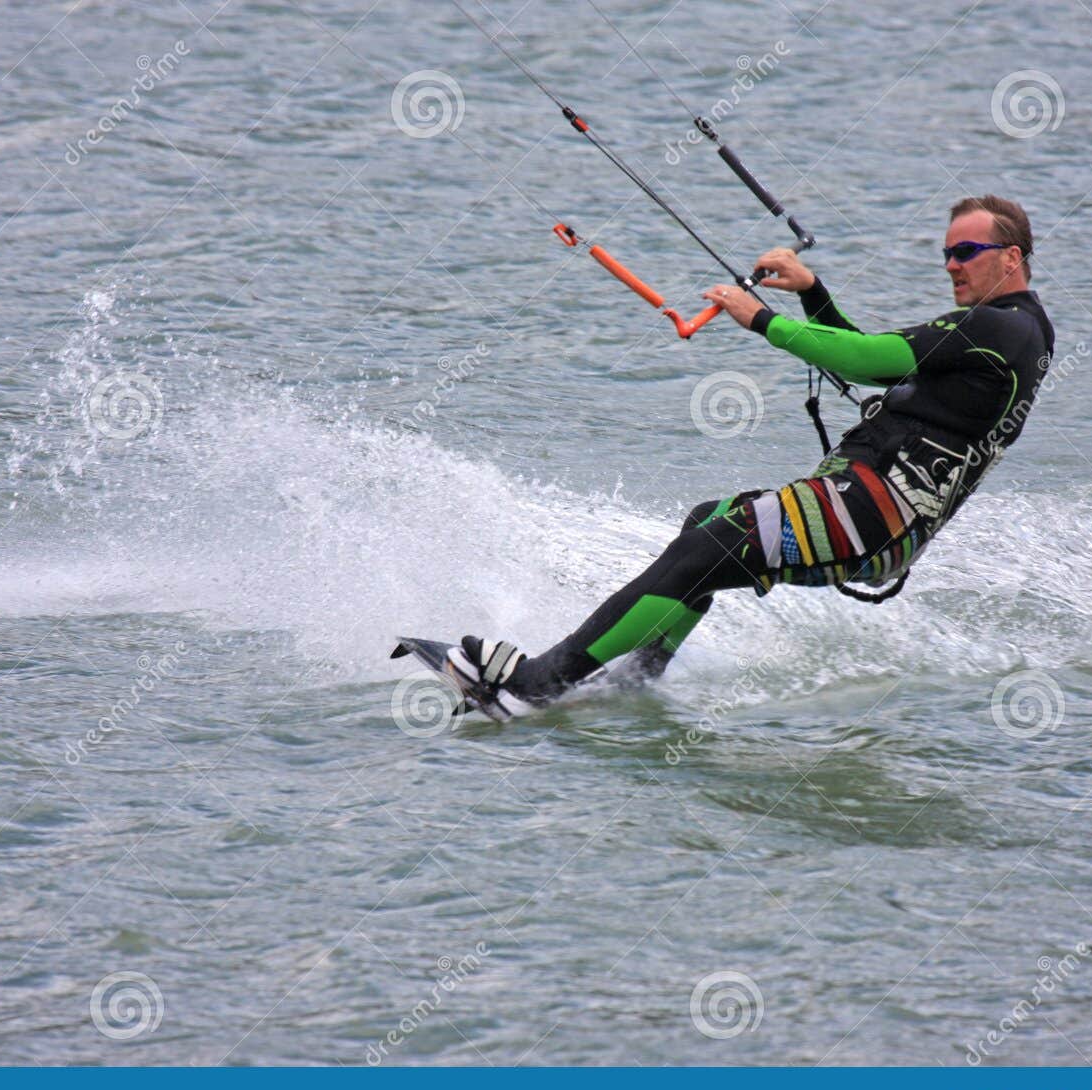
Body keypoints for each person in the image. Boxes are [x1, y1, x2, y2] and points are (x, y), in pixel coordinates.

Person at [449, 194, 1056, 716]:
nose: (952, 265)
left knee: (703, 552)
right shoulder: (1013, 330)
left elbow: (866, 358)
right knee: (708, 524)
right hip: (881, 524)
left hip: (868, 512)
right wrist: (813, 293)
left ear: (1011, 257)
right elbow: (867, 357)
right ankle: (636, 680)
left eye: (966, 252)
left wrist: (762, 320)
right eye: (947, 254)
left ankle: (534, 686)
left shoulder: (998, 329)